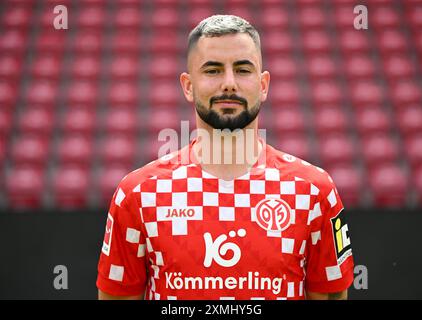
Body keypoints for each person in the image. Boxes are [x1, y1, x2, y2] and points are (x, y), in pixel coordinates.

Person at [97, 15, 354, 300]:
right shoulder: (138, 194)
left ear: (264, 84)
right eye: (213, 71)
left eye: (243, 70)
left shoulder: (315, 192)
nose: (229, 83)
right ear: (188, 85)